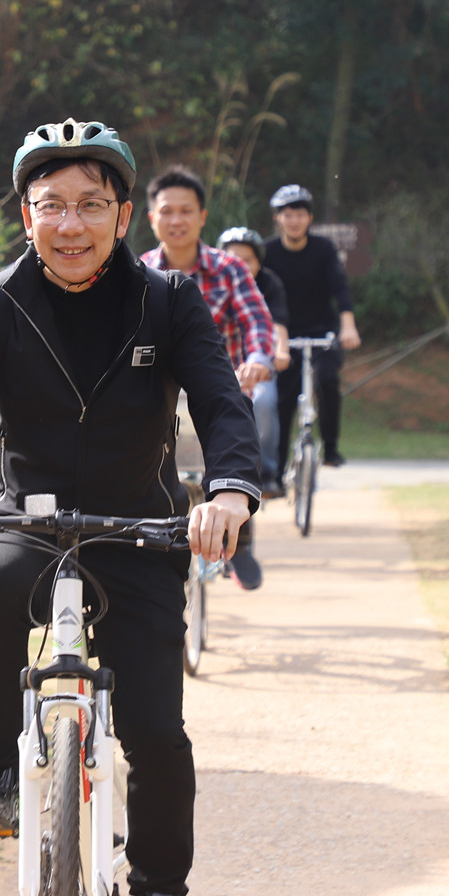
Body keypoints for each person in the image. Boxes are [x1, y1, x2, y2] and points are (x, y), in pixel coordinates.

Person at [0, 118, 263, 896]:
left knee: (156, 731)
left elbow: (220, 402)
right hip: (25, 519)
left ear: (123, 216)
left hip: (139, 530)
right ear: (26, 216)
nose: (70, 224)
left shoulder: (169, 301)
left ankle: (159, 895)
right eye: (51, 204)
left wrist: (230, 492)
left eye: (91, 205)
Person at [140, 167, 275, 591]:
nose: (176, 220)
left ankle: (241, 537)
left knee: (236, 432)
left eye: (186, 211)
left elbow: (256, 321)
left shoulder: (230, 268)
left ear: (202, 217)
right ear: (151, 218)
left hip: (221, 391)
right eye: (167, 211)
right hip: (159, 398)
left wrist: (257, 359)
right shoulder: (139, 272)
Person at [264, 185, 362, 466]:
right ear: (278, 218)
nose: (294, 220)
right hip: (282, 334)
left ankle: (330, 448)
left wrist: (348, 325)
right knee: (282, 399)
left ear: (309, 218)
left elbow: (339, 287)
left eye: (300, 214)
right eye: (288, 215)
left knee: (327, 379)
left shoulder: (324, 249)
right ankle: (276, 472)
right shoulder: (268, 252)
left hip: (322, 332)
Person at [215, 227, 291, 497]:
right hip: (212, 365)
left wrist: (278, 352)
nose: (241, 265)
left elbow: (273, 322)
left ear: (259, 262)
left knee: (264, 403)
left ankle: (266, 472)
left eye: (248, 259)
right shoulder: (209, 282)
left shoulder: (268, 283)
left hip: (252, 365)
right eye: (234, 258)